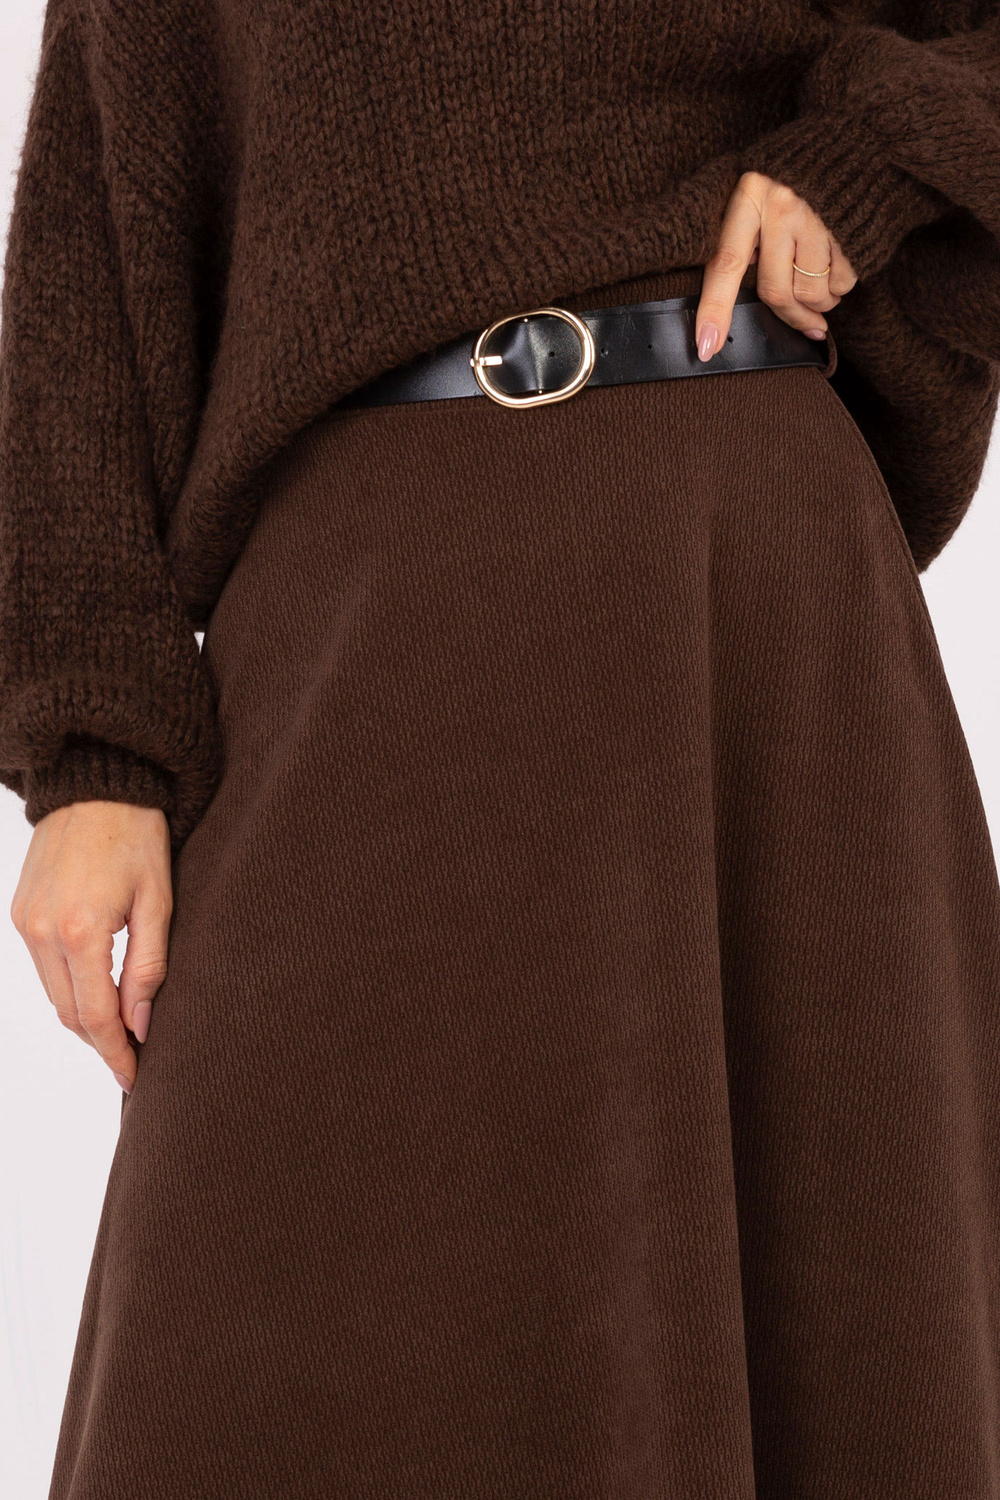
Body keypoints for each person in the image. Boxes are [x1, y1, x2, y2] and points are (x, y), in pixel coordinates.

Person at [2, 2, 999, 1496]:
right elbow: (91, 236)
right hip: (362, 602)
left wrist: (872, 159)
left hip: (751, 606)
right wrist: (91, 755)